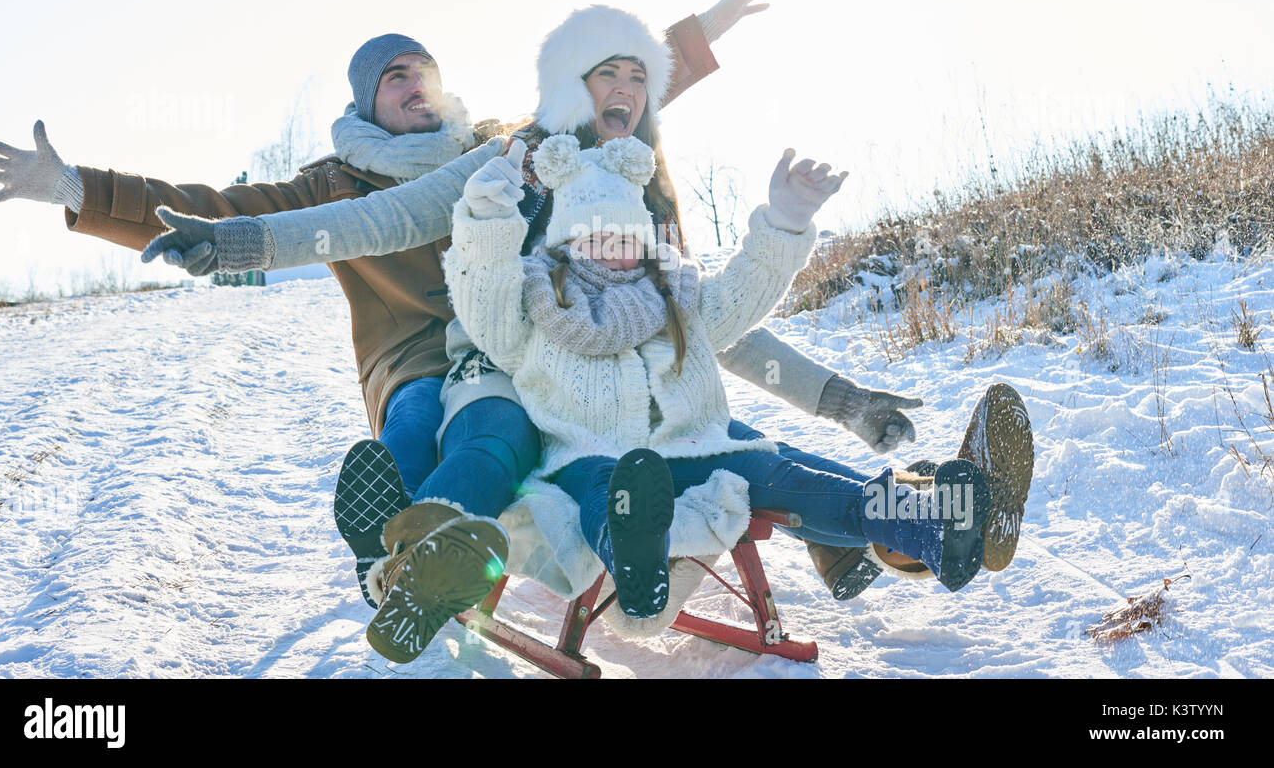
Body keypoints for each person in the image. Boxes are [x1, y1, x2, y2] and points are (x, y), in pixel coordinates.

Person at [0, 0, 783, 609]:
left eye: (423, 71)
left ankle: (816, 510)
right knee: (419, 413)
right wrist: (78, 188)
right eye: (395, 78)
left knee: (620, 411)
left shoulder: (502, 145)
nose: (414, 85)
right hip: (414, 361)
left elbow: (615, 90)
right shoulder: (337, 181)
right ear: (369, 100)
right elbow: (226, 209)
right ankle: (385, 545)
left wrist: (707, 25)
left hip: (521, 343)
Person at [437, 119, 1024, 640]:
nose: (611, 250)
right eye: (594, 236)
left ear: (643, 238)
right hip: (587, 455)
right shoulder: (537, 305)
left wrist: (784, 224)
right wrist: (486, 225)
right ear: (566, 241)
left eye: (623, 236)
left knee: (784, 476)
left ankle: (926, 530)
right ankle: (635, 562)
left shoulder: (676, 296)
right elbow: (482, 303)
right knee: (607, 487)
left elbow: (743, 296)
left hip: (696, 446)